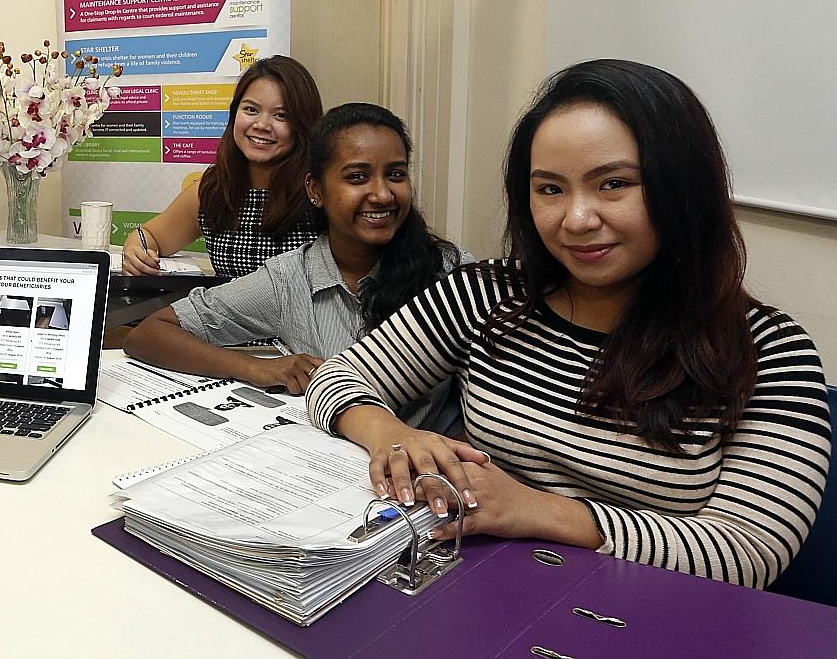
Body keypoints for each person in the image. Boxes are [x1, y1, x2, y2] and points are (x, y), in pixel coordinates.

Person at [307, 59, 830, 588]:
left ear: (683, 188)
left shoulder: (769, 349)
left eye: (614, 184)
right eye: (550, 189)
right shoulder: (488, 293)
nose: (576, 220)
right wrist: (389, 433)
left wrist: (537, 510)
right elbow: (335, 379)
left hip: (652, 613)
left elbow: (750, 552)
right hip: (487, 590)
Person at [125, 103, 470, 437]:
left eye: (395, 174)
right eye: (357, 177)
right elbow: (149, 334)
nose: (381, 194)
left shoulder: (456, 276)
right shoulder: (290, 279)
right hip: (328, 474)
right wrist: (257, 369)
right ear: (315, 190)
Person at [121, 55, 322, 278]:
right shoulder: (214, 187)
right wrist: (136, 253)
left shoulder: (319, 191)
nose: (262, 125)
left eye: (281, 115)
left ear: (303, 124)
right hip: (223, 312)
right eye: (251, 110)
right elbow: (147, 234)